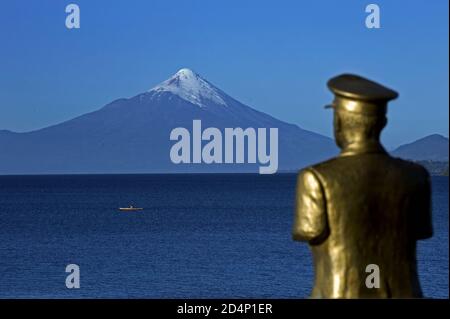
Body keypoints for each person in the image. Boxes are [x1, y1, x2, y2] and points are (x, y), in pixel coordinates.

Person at [292, 74, 433, 298]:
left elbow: (307, 231)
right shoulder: (416, 177)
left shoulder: (317, 178)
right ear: (383, 122)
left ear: (338, 122)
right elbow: (422, 231)